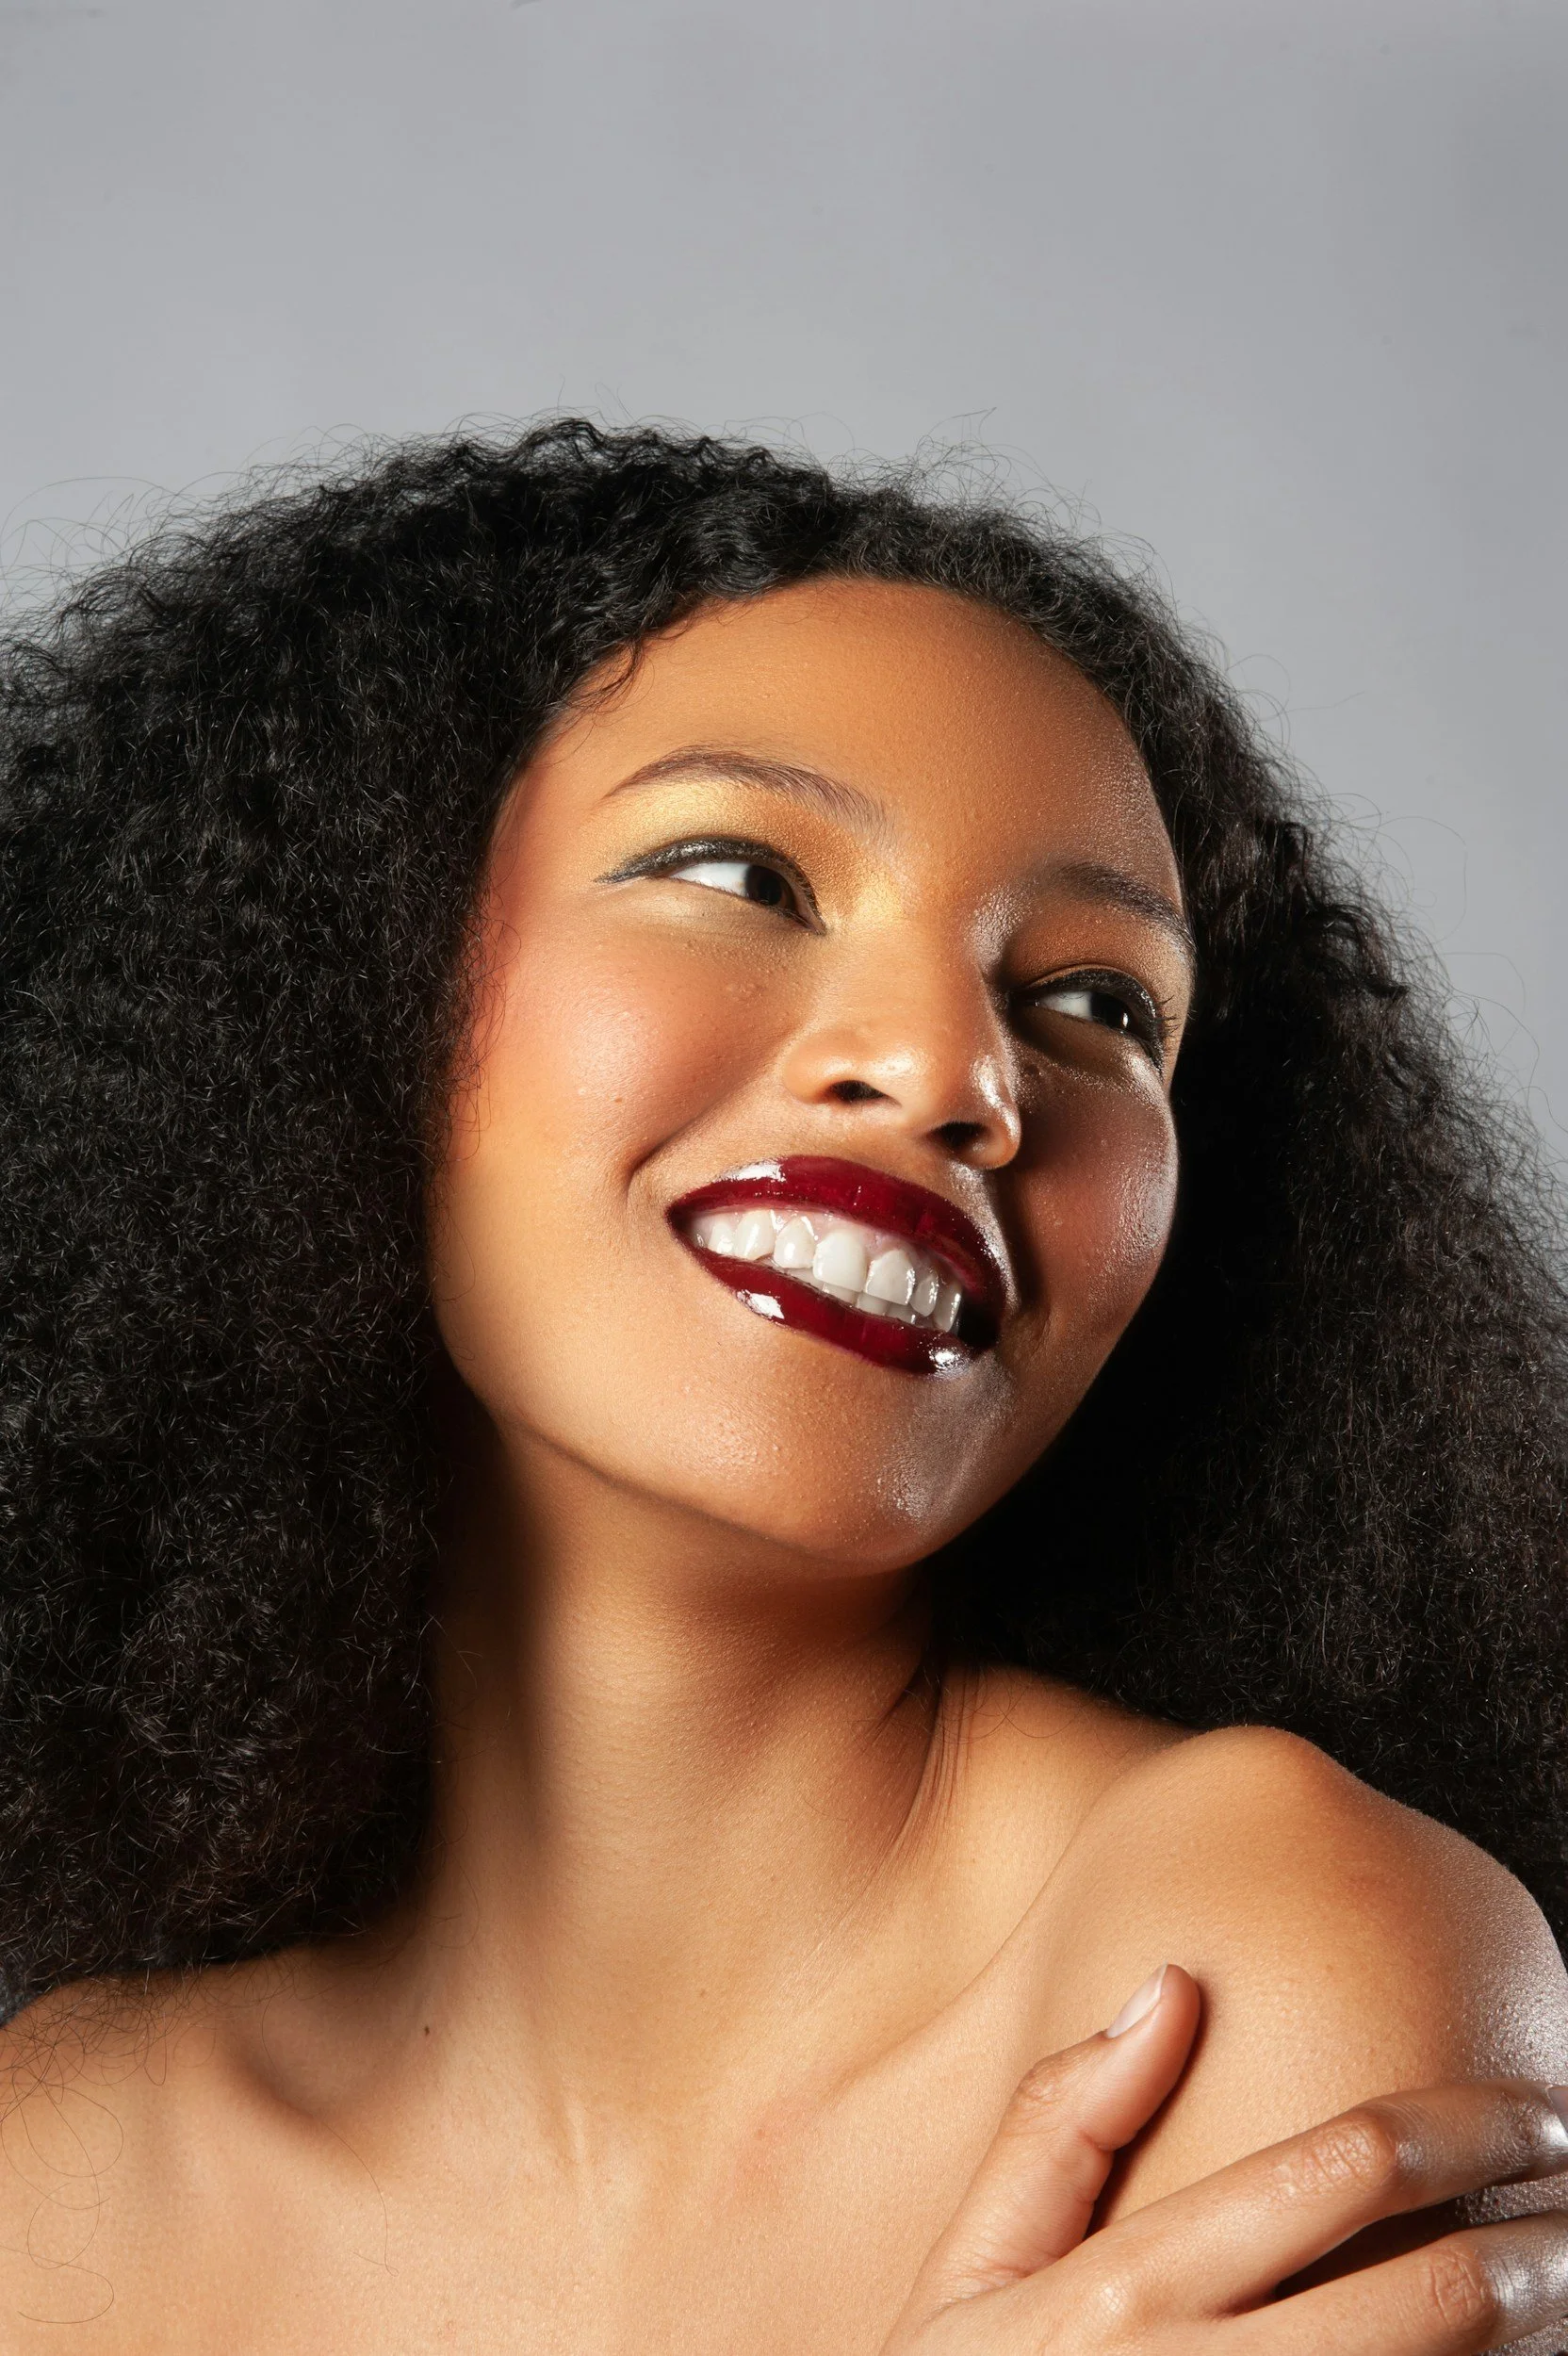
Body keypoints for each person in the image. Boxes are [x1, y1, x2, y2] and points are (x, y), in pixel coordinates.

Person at [1, 419, 1567, 2352]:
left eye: (1099, 1005)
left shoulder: (1258, 1959)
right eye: (742, 873)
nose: (953, 1074)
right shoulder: (53, 2178)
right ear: (348, 975)